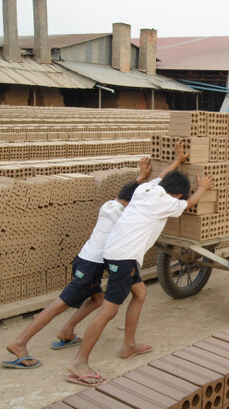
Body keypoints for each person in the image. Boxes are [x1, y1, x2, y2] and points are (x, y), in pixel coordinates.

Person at [67, 140, 214, 386]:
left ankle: (129, 345)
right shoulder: (166, 201)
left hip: (118, 253)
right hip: (123, 258)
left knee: (140, 293)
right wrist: (203, 188)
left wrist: (177, 162)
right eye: (179, 195)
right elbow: (188, 203)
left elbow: (164, 176)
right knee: (109, 310)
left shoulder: (146, 189)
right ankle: (79, 362)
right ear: (175, 194)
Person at [1, 158, 152, 369]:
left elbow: (126, 194)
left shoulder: (109, 204)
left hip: (83, 259)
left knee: (98, 299)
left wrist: (140, 177)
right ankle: (20, 342)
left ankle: (67, 332)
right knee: (60, 303)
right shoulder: (125, 216)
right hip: (92, 266)